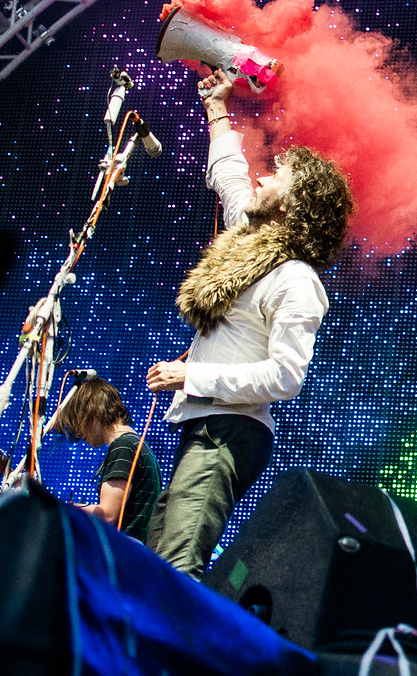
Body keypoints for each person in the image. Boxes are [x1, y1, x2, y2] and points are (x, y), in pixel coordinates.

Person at [145, 68, 355, 579]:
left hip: (230, 430)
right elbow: (231, 176)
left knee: (176, 566)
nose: (263, 177)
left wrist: (192, 376)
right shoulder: (251, 245)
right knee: (151, 561)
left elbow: (286, 378)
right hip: (204, 423)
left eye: (277, 177)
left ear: (294, 205)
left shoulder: (296, 279)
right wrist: (217, 107)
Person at [55, 376, 162, 543]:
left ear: (92, 411)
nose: (77, 433)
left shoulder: (123, 447)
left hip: (124, 555)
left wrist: (60, 508)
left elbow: (107, 514)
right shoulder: (135, 445)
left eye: (77, 421)